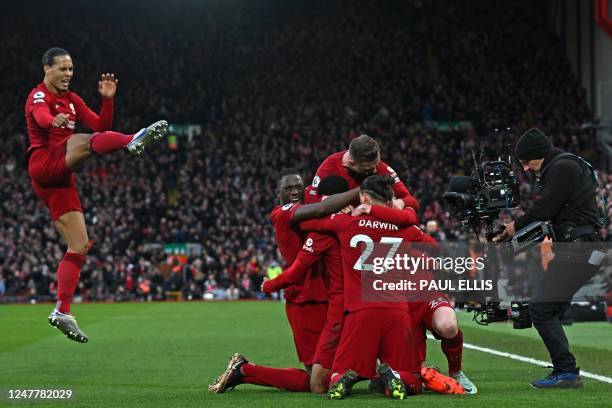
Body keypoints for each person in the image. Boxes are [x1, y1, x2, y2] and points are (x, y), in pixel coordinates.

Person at [25, 47, 168, 343]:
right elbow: (39, 116)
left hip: (60, 176)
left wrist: (107, 100)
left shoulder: (73, 100)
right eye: (62, 68)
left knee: (78, 245)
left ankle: (62, 310)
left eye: (71, 69)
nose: (68, 74)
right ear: (46, 69)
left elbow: (102, 127)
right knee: (82, 142)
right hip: (44, 161)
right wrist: (54, 122)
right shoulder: (39, 95)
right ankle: (132, 140)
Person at [299, 175, 465, 399]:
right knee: (413, 381)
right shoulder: (404, 226)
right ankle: (395, 375)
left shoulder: (345, 223)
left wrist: (339, 213)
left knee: (333, 376)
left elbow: (306, 222)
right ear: (390, 200)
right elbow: (434, 246)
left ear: (364, 197)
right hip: (396, 310)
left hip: (359, 312)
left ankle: (343, 378)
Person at [495, 128, 604, 388]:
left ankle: (566, 371)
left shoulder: (562, 167)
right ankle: (564, 369)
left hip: (578, 250)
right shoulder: (565, 165)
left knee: (541, 309)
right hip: (582, 248)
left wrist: (514, 226)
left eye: (526, 161)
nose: (526, 168)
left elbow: (545, 208)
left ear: (537, 155)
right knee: (548, 308)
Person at [306, 134, 419, 210]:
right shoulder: (329, 168)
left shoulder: (380, 167)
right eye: (368, 169)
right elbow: (313, 205)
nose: (375, 170)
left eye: (376, 164)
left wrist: (401, 203)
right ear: (352, 162)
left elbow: (411, 200)